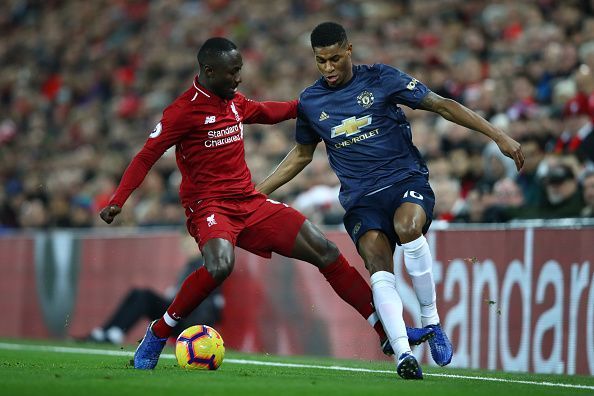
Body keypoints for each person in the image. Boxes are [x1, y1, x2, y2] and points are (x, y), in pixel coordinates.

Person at [99, 37, 432, 376]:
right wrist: (117, 201)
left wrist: (311, 104)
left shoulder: (233, 102)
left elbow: (272, 111)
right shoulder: (183, 111)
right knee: (219, 267)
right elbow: (146, 156)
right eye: (233, 73)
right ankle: (158, 334)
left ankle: (386, 334)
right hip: (209, 207)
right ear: (209, 71)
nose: (238, 78)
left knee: (325, 251)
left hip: (249, 202)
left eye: (240, 70)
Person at [256, 22, 525, 378]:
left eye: (335, 58)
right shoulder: (311, 101)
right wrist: (255, 194)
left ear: (349, 50)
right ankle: (402, 354)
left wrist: (498, 136)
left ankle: (431, 321)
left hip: (404, 180)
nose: (329, 68)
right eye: (321, 61)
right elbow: (302, 156)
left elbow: (442, 105)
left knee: (408, 227)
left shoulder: (381, 78)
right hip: (361, 199)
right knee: (376, 260)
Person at [85, 255, 223, 345]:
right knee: (137, 293)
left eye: (188, 241)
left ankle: (115, 332)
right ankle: (107, 330)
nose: (185, 246)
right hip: (180, 313)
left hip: (190, 320)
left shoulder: (205, 263)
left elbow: (211, 298)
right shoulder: (191, 264)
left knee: (144, 297)